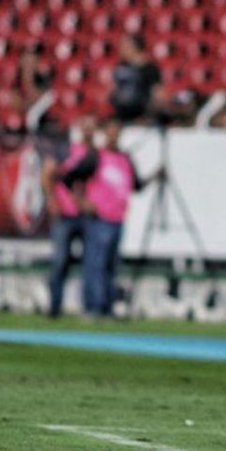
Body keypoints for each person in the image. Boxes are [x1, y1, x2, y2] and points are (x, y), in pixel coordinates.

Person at [62, 117, 163, 316]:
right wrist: (81, 202)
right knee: (95, 264)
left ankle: (107, 307)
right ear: (104, 133)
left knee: (111, 266)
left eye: (117, 130)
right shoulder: (96, 156)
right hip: (99, 219)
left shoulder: (125, 159)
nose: (114, 134)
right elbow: (69, 178)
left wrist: (155, 175)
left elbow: (136, 185)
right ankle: (93, 307)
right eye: (111, 130)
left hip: (118, 220)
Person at [40, 115, 96, 317]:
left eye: (92, 126)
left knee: (92, 262)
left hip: (87, 215)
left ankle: (91, 307)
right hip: (64, 214)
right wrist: (52, 201)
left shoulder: (96, 153)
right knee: (60, 261)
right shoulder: (66, 150)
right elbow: (46, 174)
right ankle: (55, 306)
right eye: (85, 126)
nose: (88, 130)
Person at [109, 34, 162, 123]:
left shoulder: (150, 69)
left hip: (142, 118)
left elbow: (158, 96)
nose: (121, 49)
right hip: (121, 116)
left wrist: (148, 116)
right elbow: (112, 91)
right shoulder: (121, 67)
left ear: (135, 47)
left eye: (125, 46)